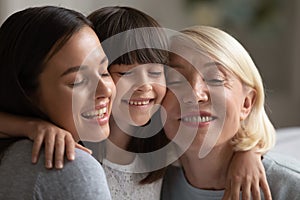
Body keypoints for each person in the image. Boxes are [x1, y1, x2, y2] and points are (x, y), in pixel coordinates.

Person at [0, 6, 272, 200]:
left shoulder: (165, 146)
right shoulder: (77, 141)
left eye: (157, 72)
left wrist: (247, 154)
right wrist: (30, 126)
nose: (144, 85)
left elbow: (215, 141)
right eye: (125, 73)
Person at [160, 25, 300, 200]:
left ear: (247, 103)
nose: (195, 94)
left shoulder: (290, 188)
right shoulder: (152, 185)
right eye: (175, 79)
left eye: (215, 79)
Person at [0, 6, 115, 199]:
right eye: (78, 81)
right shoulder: (71, 166)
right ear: (27, 92)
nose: (105, 90)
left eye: (104, 71)